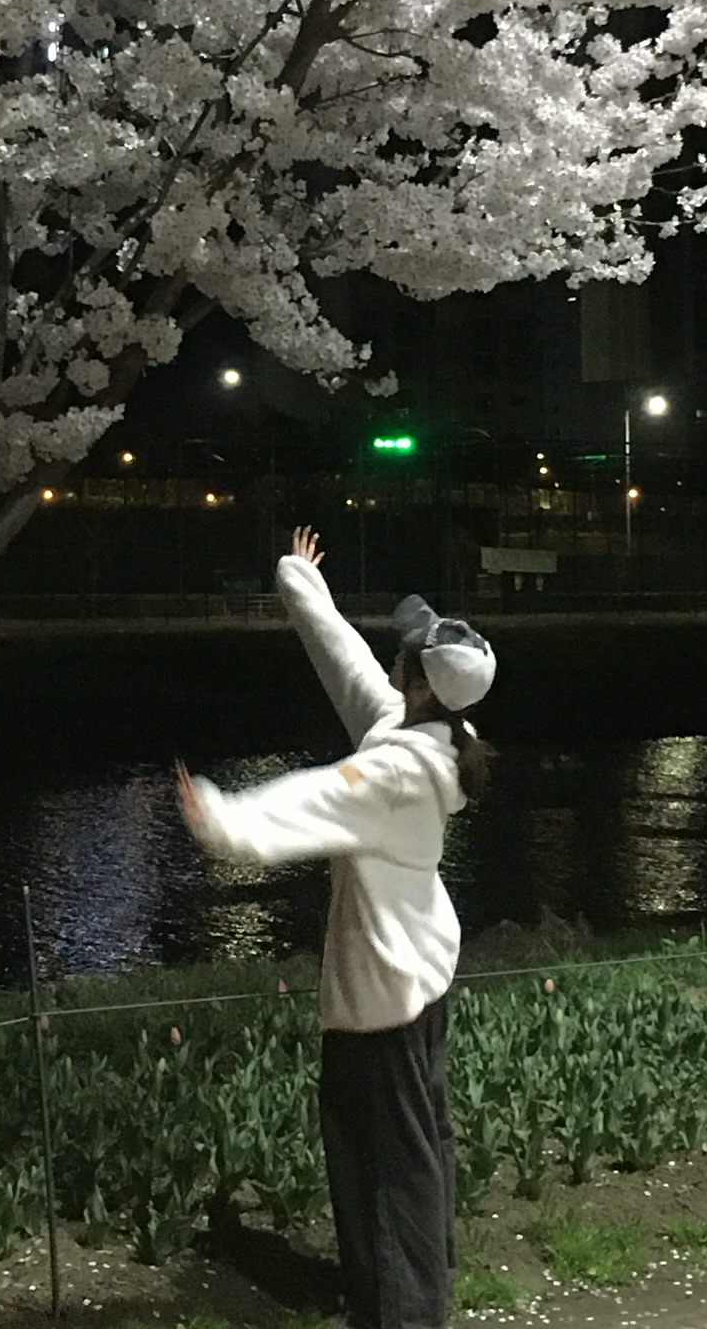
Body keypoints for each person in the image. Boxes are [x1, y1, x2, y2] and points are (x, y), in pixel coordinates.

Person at [176, 525, 495, 1329]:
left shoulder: (394, 772)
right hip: (420, 973)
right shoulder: (427, 737)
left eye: (405, 654)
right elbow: (349, 665)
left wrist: (222, 817)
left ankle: (402, 1313)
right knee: (419, 1143)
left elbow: (316, 799)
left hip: (383, 990)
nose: (393, 658)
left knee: (382, 1160)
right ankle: (417, 1285)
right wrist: (302, 584)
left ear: (419, 683)